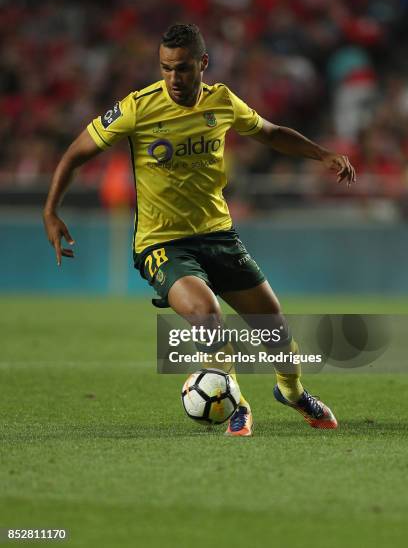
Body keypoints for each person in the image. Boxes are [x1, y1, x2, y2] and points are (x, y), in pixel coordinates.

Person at [43, 23, 356, 437]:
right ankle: (237, 402)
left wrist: (322, 154)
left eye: (184, 68)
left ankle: (292, 391)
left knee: (274, 329)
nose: (174, 78)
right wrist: (51, 210)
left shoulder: (222, 101)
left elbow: (271, 133)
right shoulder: (138, 107)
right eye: (166, 68)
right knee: (207, 314)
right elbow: (76, 152)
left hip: (218, 235)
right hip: (162, 243)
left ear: (203, 64)